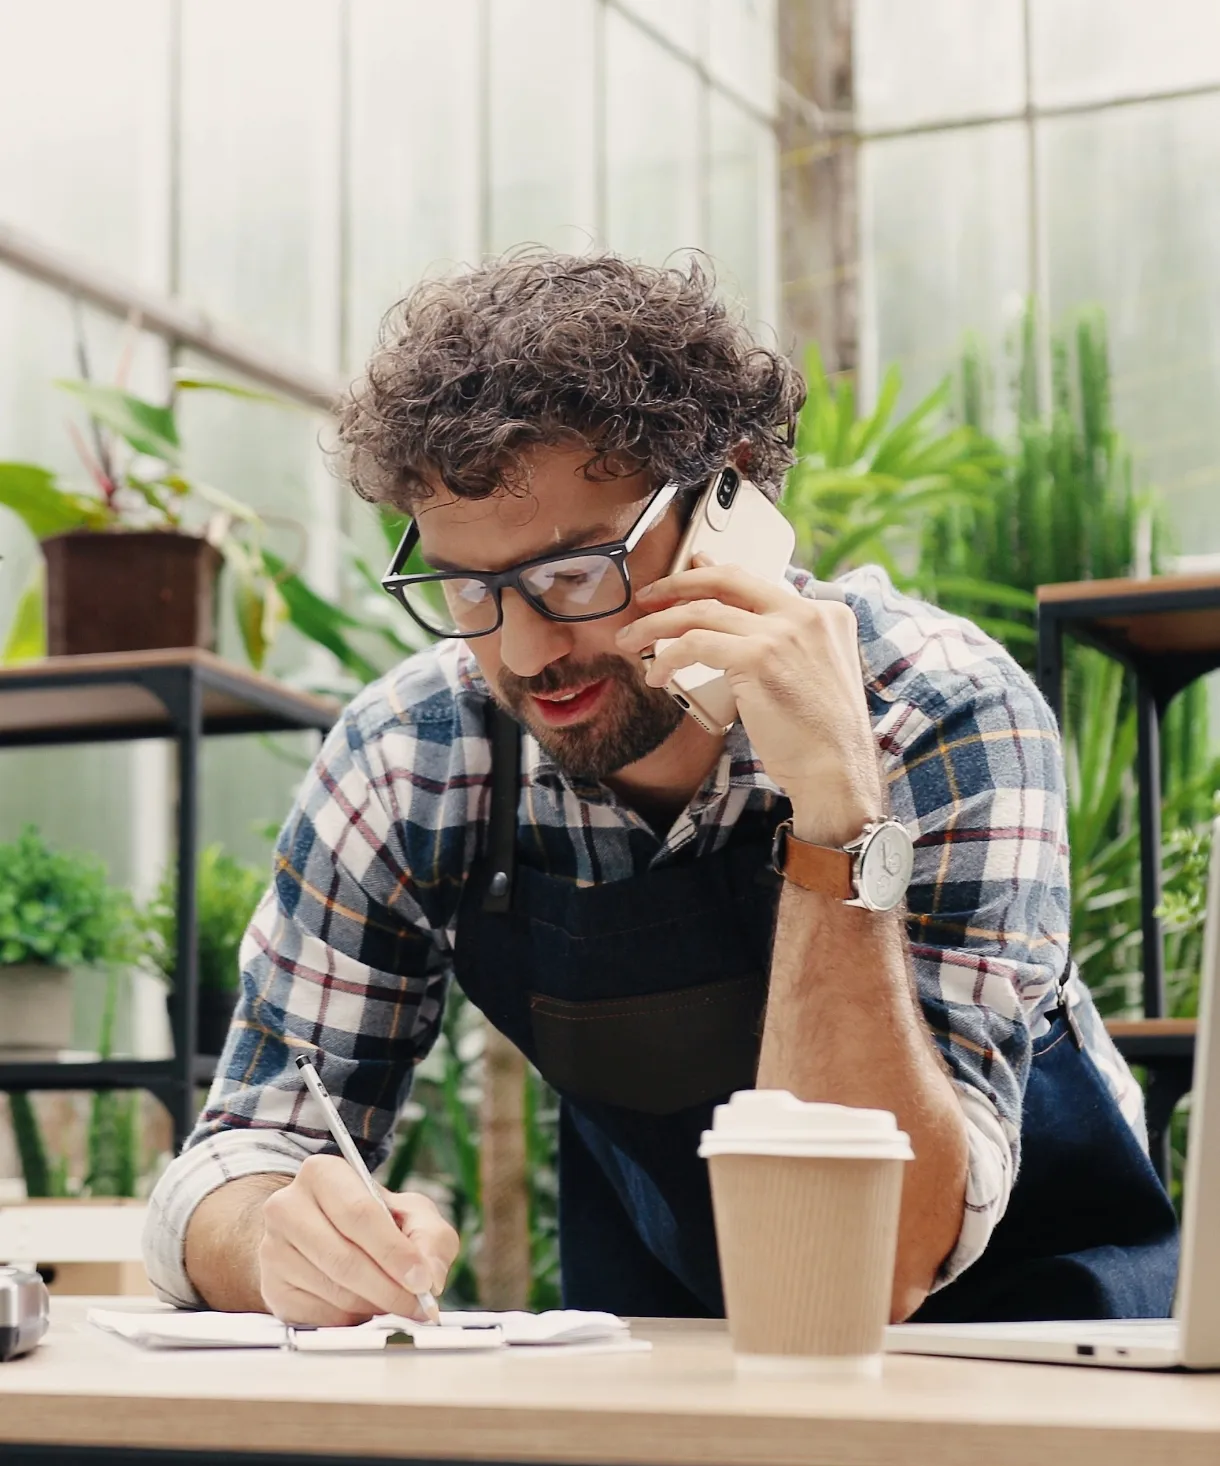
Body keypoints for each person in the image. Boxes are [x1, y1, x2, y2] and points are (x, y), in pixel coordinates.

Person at [144, 253, 1177, 1327]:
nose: (530, 646)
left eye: (577, 572)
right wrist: (281, 1242)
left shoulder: (938, 713)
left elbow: (871, 1269)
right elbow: (242, 1151)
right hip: (678, 1346)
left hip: (1037, 1349)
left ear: (725, 490)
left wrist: (836, 816)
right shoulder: (414, 756)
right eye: (468, 587)